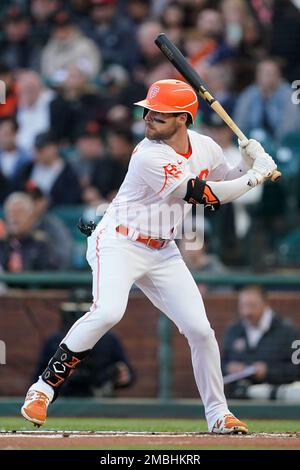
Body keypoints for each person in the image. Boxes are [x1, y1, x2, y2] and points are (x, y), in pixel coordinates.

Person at [21, 79, 277, 434]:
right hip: (118, 241)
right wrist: (255, 177)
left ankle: (219, 414)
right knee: (109, 310)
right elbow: (204, 195)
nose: (149, 118)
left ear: (183, 119)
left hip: (163, 250)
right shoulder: (148, 154)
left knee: (201, 331)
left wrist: (247, 163)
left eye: (160, 114)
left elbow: (226, 179)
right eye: (148, 111)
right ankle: (42, 389)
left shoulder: (206, 147)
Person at [34, 299, 135, 397]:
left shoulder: (109, 339)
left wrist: (121, 376)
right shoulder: (56, 340)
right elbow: (38, 377)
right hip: (64, 396)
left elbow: (128, 374)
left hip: (99, 396)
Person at [222, 285, 300, 400]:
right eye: (243, 306)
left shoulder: (288, 331)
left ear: (265, 304)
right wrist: (230, 369)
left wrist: (268, 371)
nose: (247, 312)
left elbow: (296, 369)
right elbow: (221, 363)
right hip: (239, 398)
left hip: (274, 398)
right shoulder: (233, 330)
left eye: (252, 306)